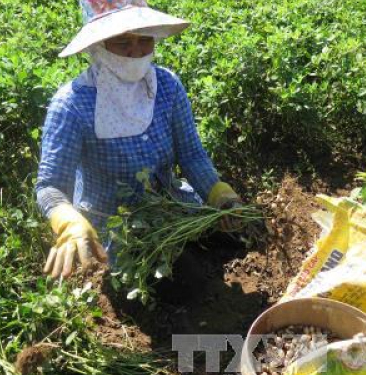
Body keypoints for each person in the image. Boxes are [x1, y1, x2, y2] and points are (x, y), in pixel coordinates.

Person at [36, 0, 241, 279]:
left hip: (172, 206)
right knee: (177, 282)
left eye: (145, 39)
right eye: (122, 43)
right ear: (99, 45)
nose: (136, 52)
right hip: (115, 228)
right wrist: (69, 223)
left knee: (231, 243)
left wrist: (218, 193)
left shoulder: (167, 86)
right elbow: (50, 186)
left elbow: (191, 155)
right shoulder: (72, 104)